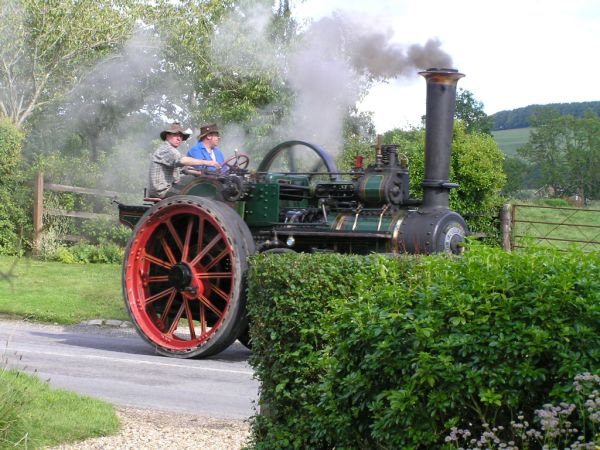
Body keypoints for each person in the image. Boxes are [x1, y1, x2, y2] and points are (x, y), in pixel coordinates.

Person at [147, 122, 219, 198]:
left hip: (167, 189)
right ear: (167, 136)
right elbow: (182, 160)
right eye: (175, 135)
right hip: (162, 191)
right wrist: (207, 162)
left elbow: (185, 169)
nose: (179, 138)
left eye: (181, 136)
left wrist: (205, 174)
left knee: (194, 181)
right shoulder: (166, 149)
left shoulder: (172, 152)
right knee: (199, 193)